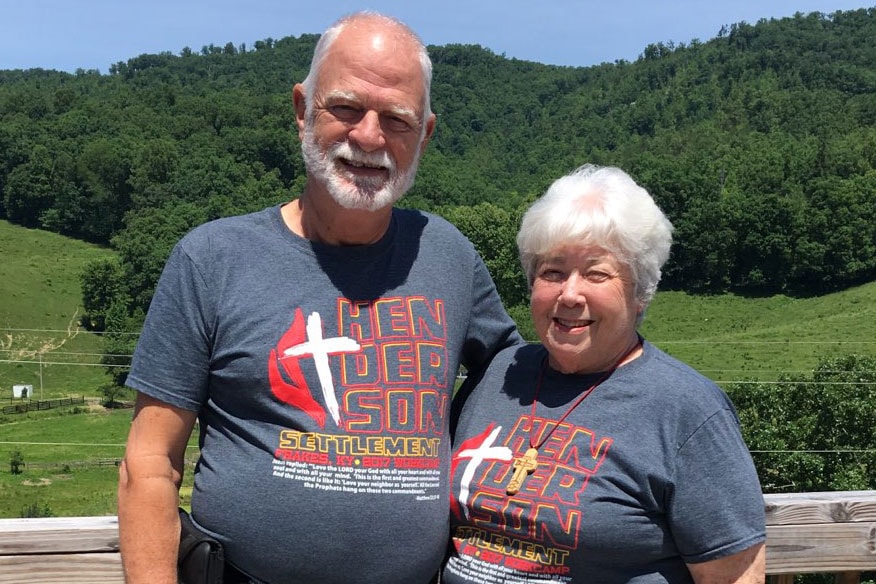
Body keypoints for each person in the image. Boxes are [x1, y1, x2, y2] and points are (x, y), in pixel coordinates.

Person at [117, 11, 521, 584]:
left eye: (397, 120)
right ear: (303, 109)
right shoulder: (212, 259)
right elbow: (149, 462)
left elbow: (517, 378)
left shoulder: (448, 256)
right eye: (347, 108)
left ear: (424, 135)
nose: (369, 137)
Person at [443, 164, 766, 583]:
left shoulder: (688, 410)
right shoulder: (497, 376)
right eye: (552, 272)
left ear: (640, 292)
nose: (570, 294)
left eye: (597, 273)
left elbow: (736, 576)